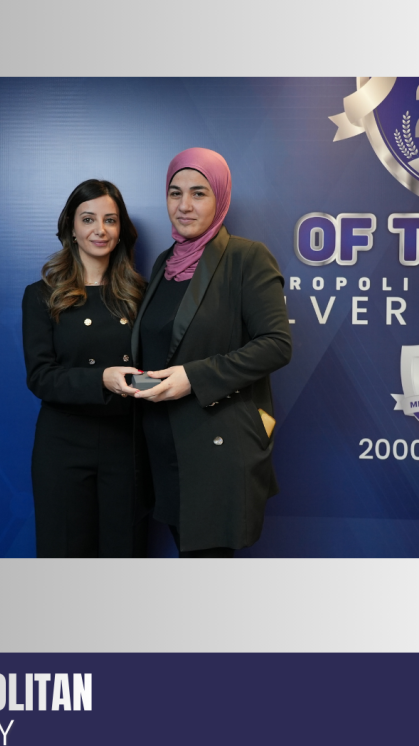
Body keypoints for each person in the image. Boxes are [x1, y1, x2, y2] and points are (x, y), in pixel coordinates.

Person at [131, 148, 292, 557]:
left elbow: (276, 345)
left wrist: (194, 377)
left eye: (199, 193)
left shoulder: (246, 257)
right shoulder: (165, 263)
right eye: (175, 193)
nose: (184, 206)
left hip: (217, 449)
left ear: (220, 198)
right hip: (164, 449)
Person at [22, 179, 146, 557]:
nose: (100, 230)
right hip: (63, 445)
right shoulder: (41, 295)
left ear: (121, 230)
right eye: (88, 219)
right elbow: (40, 377)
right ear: (71, 228)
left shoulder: (142, 294)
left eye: (110, 220)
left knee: (124, 555)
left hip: (127, 444)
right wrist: (101, 379)